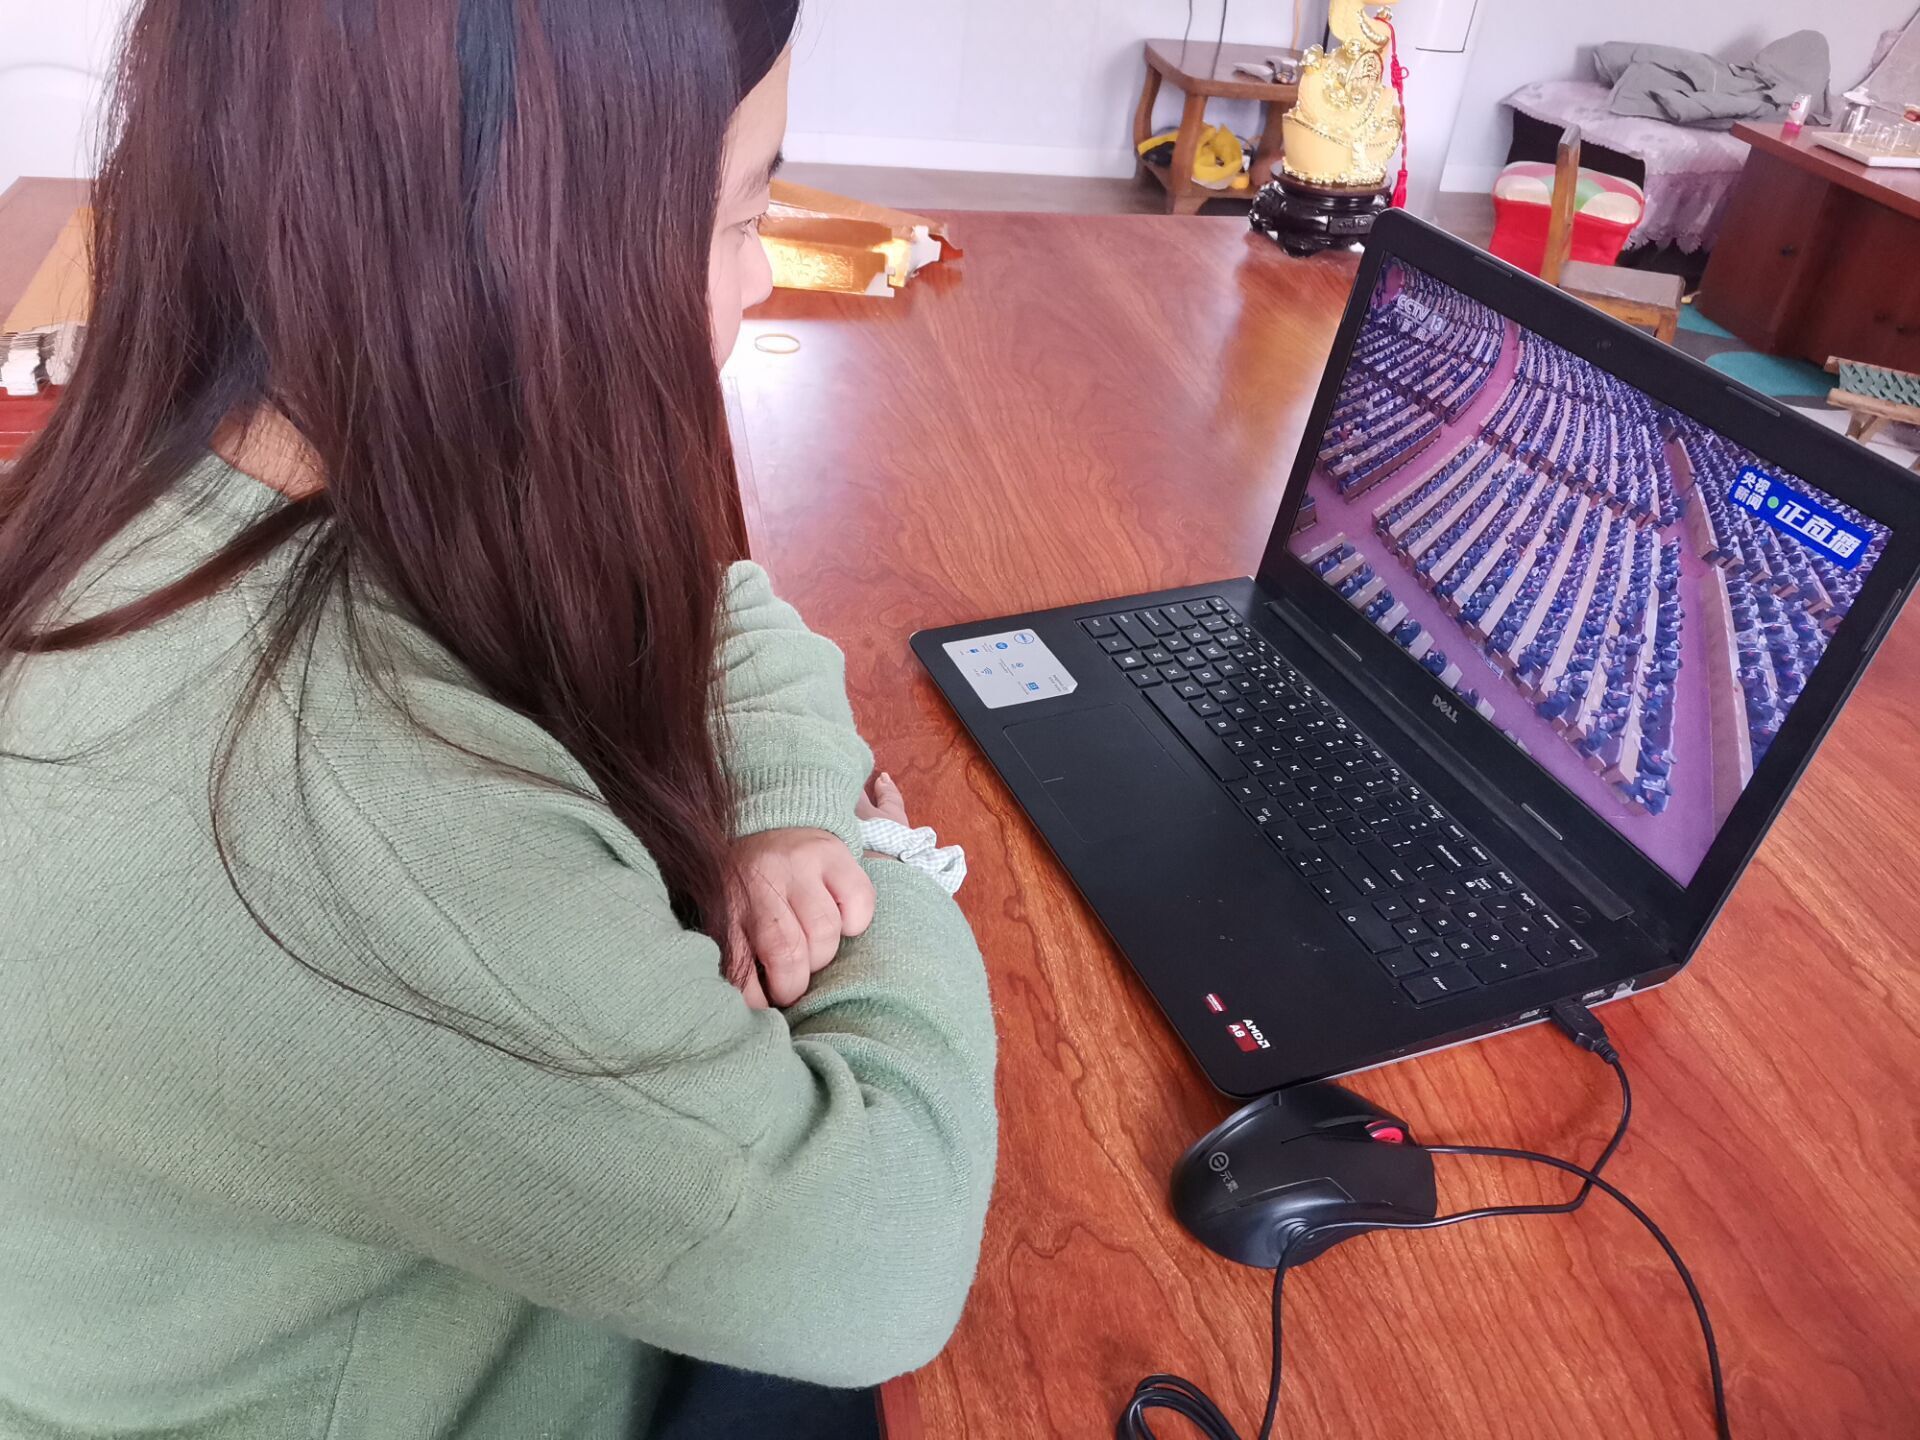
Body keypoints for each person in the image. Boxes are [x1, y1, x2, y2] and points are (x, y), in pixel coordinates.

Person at [0, 3, 997, 1438]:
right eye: (737, 218)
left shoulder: (215, 464)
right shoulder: (349, 819)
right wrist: (887, 862)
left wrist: (784, 801)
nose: (762, 273)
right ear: (516, 251)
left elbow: (704, 585)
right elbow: (877, 1265)